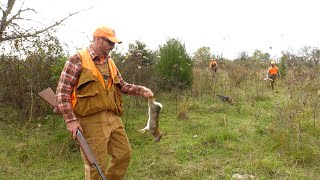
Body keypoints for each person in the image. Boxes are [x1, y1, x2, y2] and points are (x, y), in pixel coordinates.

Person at [56, 25, 154, 180]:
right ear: (97, 39)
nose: (112, 47)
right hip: (90, 120)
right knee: (96, 165)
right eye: (109, 42)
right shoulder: (78, 58)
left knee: (124, 154)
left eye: (114, 43)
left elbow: (122, 85)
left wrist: (142, 90)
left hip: (113, 117)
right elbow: (62, 92)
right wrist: (71, 120)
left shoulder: (110, 62)